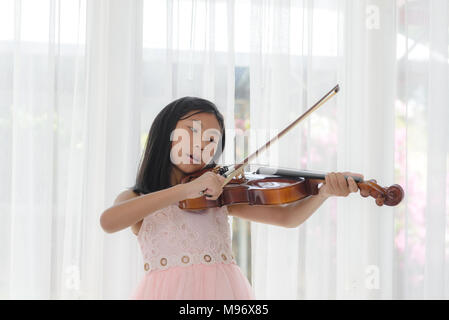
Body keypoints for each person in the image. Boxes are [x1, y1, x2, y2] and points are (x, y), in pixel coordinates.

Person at [99, 96, 362, 299]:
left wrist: (324, 192)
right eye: (193, 130)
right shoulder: (138, 198)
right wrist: (185, 190)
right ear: (165, 132)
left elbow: (287, 217)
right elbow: (108, 222)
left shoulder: (217, 196)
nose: (203, 144)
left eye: (212, 140)